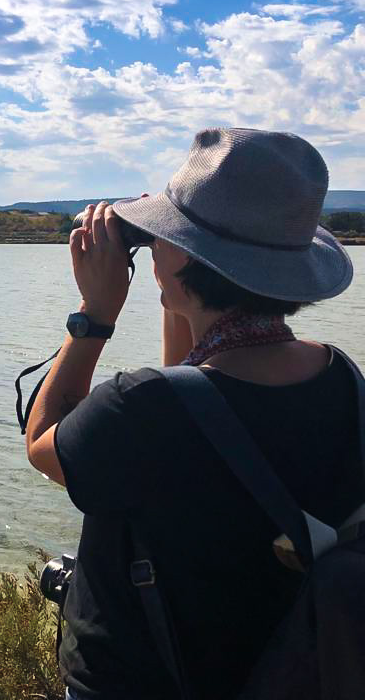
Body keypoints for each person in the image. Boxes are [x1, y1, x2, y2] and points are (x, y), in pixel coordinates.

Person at [24, 128, 360, 699]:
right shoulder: (343, 378)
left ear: (181, 257)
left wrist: (95, 315)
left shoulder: (139, 410)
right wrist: (177, 276)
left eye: (164, 238)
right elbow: (192, 385)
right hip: (285, 673)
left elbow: (44, 444)